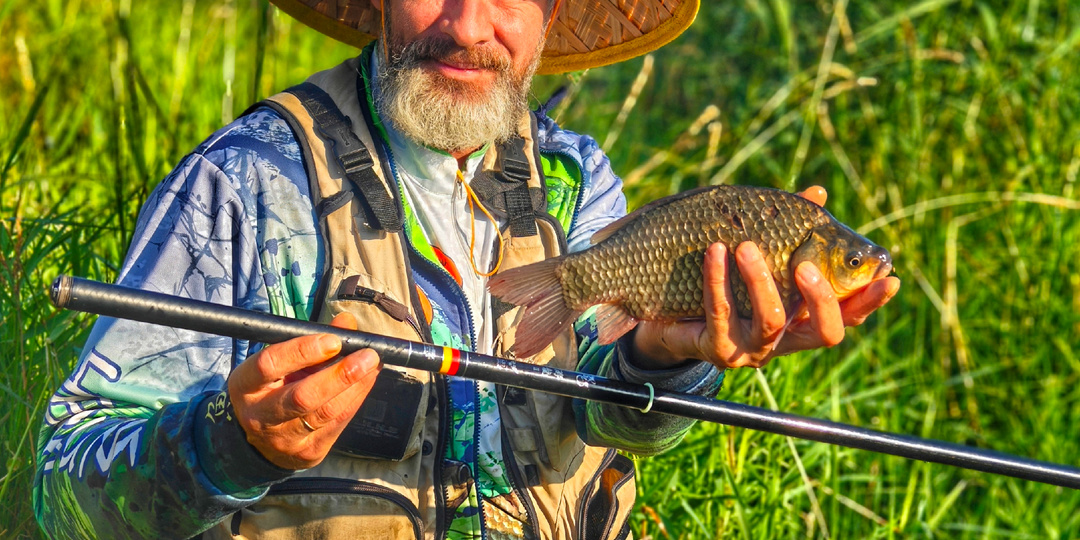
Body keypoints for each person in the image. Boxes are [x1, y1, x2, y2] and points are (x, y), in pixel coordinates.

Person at [33, 0, 900, 538]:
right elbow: (61, 497)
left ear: (553, 11)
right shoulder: (246, 184)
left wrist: (667, 359)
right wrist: (229, 443)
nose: (469, 23)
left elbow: (615, 422)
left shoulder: (573, 177)